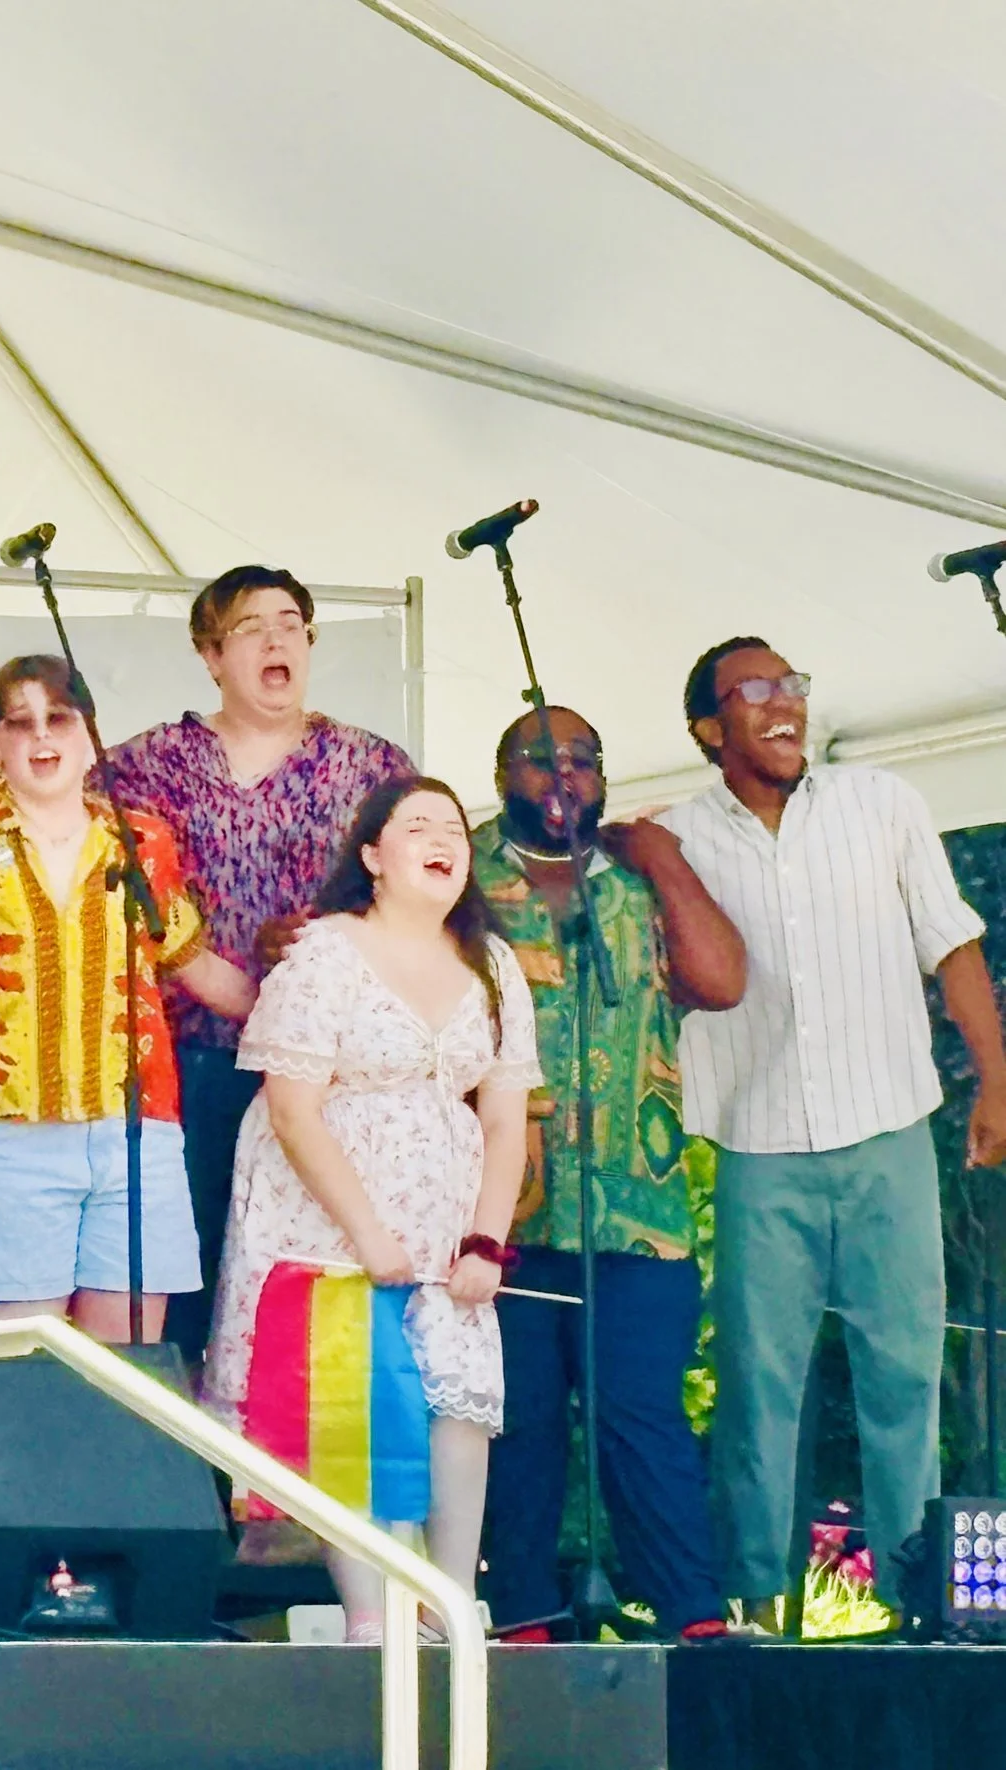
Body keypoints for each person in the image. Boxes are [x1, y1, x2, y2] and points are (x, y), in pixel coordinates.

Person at [657, 638, 1006, 1626]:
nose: (783, 706)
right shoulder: (677, 841)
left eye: (792, 687)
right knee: (755, 1388)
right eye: (754, 691)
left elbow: (953, 940)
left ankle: (915, 1607)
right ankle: (754, 1611)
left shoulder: (882, 803)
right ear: (705, 728)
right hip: (757, 1147)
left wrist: (997, 1079)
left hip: (888, 1132)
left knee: (903, 1379)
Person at [204, 777, 539, 1640]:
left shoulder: (492, 966)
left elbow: (504, 1119)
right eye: (417, 825)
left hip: (448, 1222)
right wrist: (368, 1235)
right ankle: (371, 1618)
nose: (443, 840)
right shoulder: (326, 955)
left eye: (454, 828)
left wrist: (487, 1242)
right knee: (351, 1404)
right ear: (372, 858)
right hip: (330, 1217)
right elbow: (291, 1106)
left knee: (459, 1403)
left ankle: (451, 1608)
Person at [470, 708, 742, 1642]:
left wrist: (663, 859)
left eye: (585, 760)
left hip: (639, 1211)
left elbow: (722, 980)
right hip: (499, 1209)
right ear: (501, 770)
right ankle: (523, 1620)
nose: (564, 775)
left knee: (644, 1420)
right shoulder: (462, 874)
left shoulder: (635, 882)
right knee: (520, 1425)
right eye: (541, 758)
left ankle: (691, 1620)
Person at [0, 655, 252, 1341]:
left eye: (59, 717)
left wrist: (313, 1012)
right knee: (20, 1367)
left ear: (90, 736)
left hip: (134, 1132)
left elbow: (189, 960)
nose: (42, 736)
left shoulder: (141, 839)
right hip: (8, 1135)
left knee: (129, 1372)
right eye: (19, 723)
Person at [108, 566, 414, 1357]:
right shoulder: (143, 767)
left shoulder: (373, 767)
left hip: (325, 1072)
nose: (278, 639)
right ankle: (186, 1475)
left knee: (301, 1281)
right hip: (185, 1064)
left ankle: (286, 1473)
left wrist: (332, 932)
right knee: (187, 1273)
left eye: (292, 623)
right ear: (210, 654)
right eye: (251, 627)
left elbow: (415, 906)